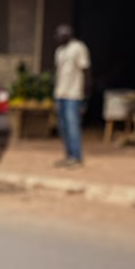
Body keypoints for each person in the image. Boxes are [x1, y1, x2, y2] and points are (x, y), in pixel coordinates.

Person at [53, 24, 90, 167]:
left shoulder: (78, 48)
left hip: (73, 94)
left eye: (61, 35)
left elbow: (86, 71)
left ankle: (76, 157)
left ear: (68, 35)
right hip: (60, 93)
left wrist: (86, 95)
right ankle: (68, 156)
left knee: (73, 126)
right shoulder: (59, 51)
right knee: (63, 127)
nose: (58, 38)